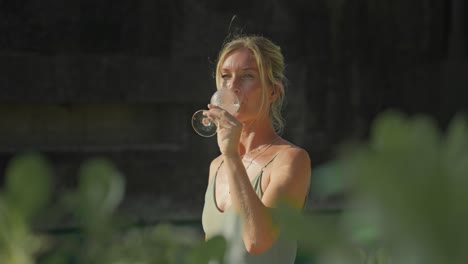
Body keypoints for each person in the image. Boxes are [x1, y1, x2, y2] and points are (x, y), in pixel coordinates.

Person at [201, 34, 311, 264]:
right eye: (225, 77)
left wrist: (231, 155)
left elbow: (257, 240)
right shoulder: (217, 165)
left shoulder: (291, 160)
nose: (232, 87)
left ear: (273, 92)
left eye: (247, 76)